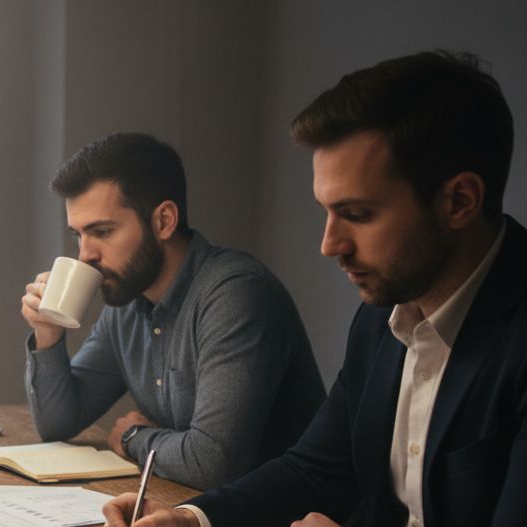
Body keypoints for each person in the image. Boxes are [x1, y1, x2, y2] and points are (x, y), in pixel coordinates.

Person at [102, 52, 527, 527]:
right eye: (325, 211)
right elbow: (317, 469)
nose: (329, 244)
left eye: (357, 214)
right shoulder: (385, 314)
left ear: (459, 200)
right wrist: (194, 524)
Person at [21, 133, 325, 489]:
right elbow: (58, 423)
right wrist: (48, 335)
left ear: (164, 220)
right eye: (78, 235)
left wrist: (133, 438)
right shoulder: (130, 300)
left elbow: (212, 463)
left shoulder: (236, 295)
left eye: (101, 231)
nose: (85, 254)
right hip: (192, 515)